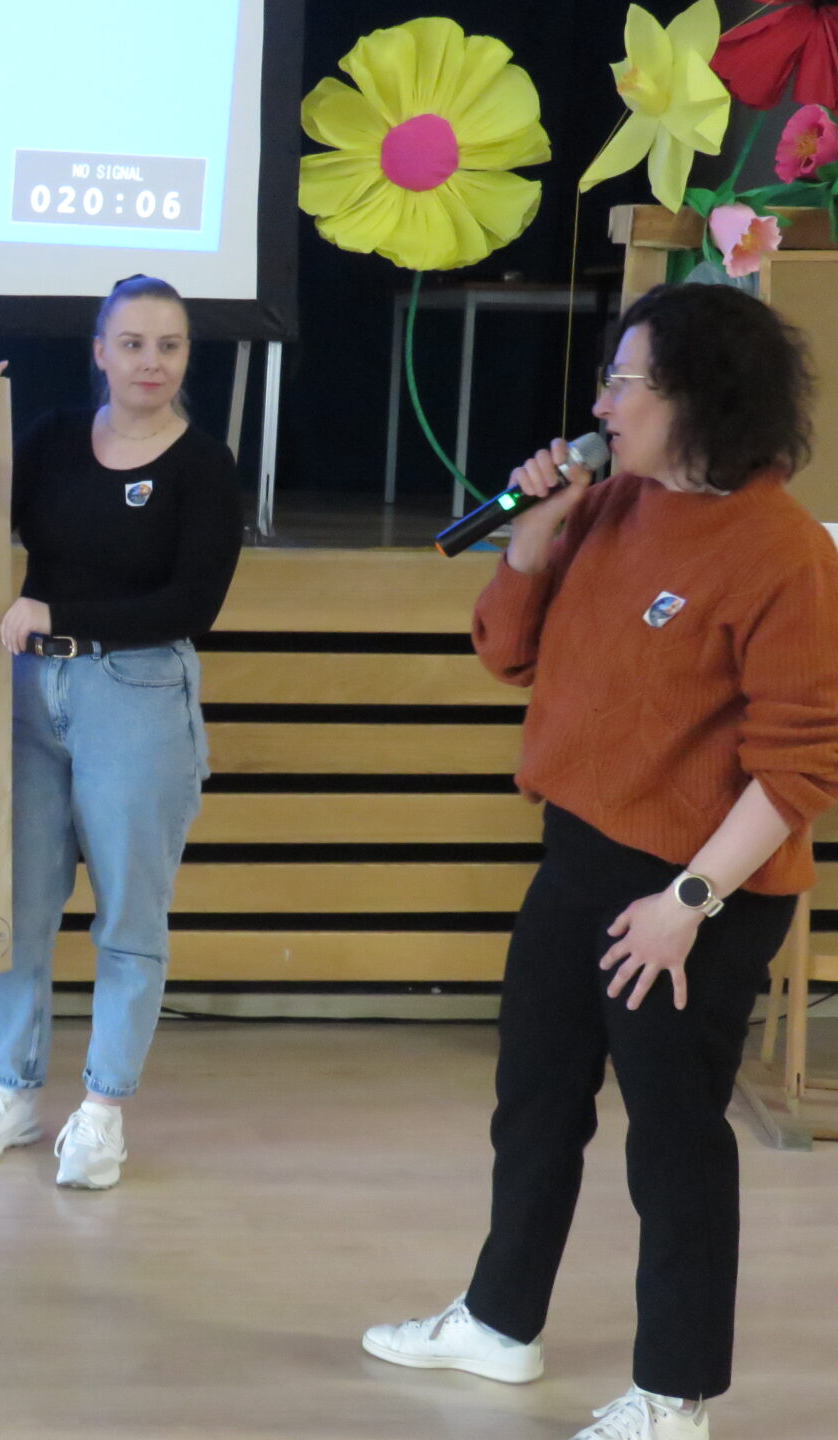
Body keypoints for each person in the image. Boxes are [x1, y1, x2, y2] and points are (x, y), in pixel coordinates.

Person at [362, 284, 838, 1440]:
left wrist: (688, 902)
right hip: (576, 852)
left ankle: (676, 1394)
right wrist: (537, 525)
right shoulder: (615, 503)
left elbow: (801, 767)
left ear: (698, 397)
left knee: (673, 1142)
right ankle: (498, 1322)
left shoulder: (782, 551)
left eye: (624, 384)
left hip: (694, 892)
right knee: (534, 1103)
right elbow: (511, 654)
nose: (602, 406)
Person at [0, 274, 243, 1188]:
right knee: (17, 909)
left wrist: (58, 610)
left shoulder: (205, 466)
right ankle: (13, 1091)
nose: (152, 362)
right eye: (134, 343)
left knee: (128, 916)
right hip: (29, 696)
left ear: (186, 358)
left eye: (170, 346)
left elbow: (193, 605)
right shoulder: (53, 439)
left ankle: (103, 1110)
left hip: (137, 695)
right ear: (100, 351)